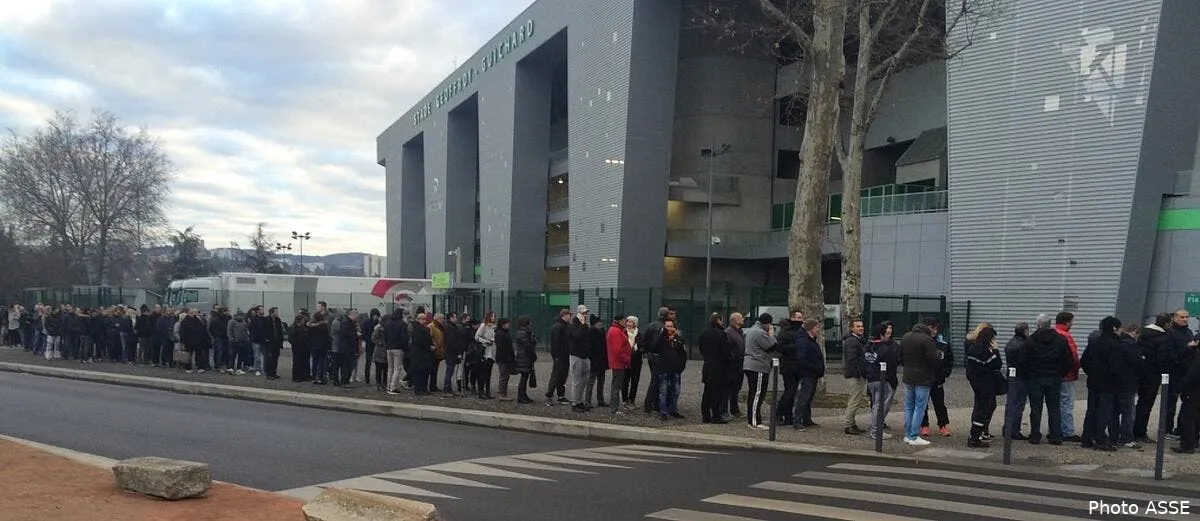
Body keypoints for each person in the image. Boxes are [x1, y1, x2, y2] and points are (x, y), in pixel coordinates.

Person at [1018, 313, 1073, 445]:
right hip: (1054, 378)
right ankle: (1055, 436)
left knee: (1036, 408)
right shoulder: (1060, 340)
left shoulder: (1030, 341)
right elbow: (1068, 360)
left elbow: (1022, 361)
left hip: (1035, 378)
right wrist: (1061, 373)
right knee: (1054, 408)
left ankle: (1035, 435)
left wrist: (1027, 375)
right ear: (1050, 324)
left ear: (1037, 324)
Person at [1080, 316, 1121, 452]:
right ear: (1114, 328)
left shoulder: (1094, 342)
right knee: (1104, 412)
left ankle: (1087, 438)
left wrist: (1092, 373)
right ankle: (1100, 439)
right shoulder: (1115, 344)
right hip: (1108, 383)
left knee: (1091, 410)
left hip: (1093, 382)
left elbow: (1084, 361)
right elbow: (1116, 367)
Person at [899, 317, 940, 446]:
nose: (935, 331)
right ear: (930, 327)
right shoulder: (927, 340)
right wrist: (938, 356)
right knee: (919, 407)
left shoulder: (906, 337)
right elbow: (932, 359)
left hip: (908, 376)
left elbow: (900, 357)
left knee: (909, 406)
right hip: (923, 377)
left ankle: (907, 434)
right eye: (934, 328)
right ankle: (914, 435)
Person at [1134, 313, 1173, 443]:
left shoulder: (1143, 334)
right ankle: (1140, 431)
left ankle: (1133, 428)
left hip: (1141, 372)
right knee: (1147, 404)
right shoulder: (1162, 338)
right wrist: (1165, 373)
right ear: (1167, 324)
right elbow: (1163, 359)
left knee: (1140, 402)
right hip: (1154, 375)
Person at [965, 324, 1002, 448]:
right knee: (982, 411)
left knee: (980, 409)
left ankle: (975, 435)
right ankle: (975, 437)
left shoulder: (972, 348)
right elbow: (997, 364)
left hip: (976, 383)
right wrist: (995, 350)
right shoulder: (984, 351)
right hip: (986, 384)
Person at [864, 321, 899, 441]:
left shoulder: (868, 346)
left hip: (871, 380)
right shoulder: (886, 349)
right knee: (880, 407)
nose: (889, 335)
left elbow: (865, 362)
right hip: (883, 380)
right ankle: (876, 431)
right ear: (882, 334)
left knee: (876, 406)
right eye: (887, 333)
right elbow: (892, 365)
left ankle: (875, 429)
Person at [921, 324, 957, 437]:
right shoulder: (921, 343)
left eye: (936, 328)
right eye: (931, 328)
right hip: (923, 379)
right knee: (923, 404)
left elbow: (949, 360)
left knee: (940, 404)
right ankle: (924, 426)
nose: (934, 331)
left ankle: (943, 425)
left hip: (937, 379)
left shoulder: (943, 344)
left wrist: (945, 374)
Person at [742, 313, 777, 429]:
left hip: (753, 364)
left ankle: (754, 419)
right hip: (758, 365)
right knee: (757, 393)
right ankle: (754, 421)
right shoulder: (760, 333)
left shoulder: (752, 330)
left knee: (755, 393)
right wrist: (772, 335)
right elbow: (771, 345)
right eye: (770, 324)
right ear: (767, 323)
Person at [1112, 323, 1143, 448]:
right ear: (1134, 332)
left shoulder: (1116, 343)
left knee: (1114, 410)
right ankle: (1126, 438)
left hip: (1115, 382)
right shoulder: (1131, 345)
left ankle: (1113, 435)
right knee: (1128, 411)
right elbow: (1138, 362)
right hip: (1129, 382)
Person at [651, 318, 687, 421]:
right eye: (668, 326)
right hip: (664, 369)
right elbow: (655, 348)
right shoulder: (661, 338)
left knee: (675, 391)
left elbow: (683, 354)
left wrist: (681, 366)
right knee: (664, 391)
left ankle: (673, 409)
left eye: (671, 326)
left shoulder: (678, 339)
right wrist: (665, 336)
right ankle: (663, 412)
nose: (670, 328)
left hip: (675, 370)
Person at [698, 313, 731, 424]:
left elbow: (701, 348)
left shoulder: (704, 333)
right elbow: (726, 352)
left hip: (708, 365)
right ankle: (716, 415)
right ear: (718, 320)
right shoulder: (721, 334)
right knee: (717, 392)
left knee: (707, 391)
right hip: (719, 367)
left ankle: (705, 415)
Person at [1002, 322, 1030, 440]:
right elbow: (1024, 362)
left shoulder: (1010, 343)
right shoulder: (1024, 345)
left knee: (1011, 403)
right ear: (1025, 331)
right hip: (1021, 377)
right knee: (1019, 404)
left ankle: (1007, 428)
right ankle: (1014, 430)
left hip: (1011, 375)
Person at [842, 319, 869, 435]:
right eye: (858, 326)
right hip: (855, 375)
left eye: (862, 326)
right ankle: (848, 424)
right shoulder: (852, 341)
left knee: (855, 399)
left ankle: (852, 423)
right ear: (852, 328)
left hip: (855, 373)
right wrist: (859, 373)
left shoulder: (857, 340)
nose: (861, 328)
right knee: (854, 400)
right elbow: (852, 359)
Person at [607, 316, 633, 415]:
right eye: (624, 320)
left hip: (618, 362)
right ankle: (614, 409)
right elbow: (618, 350)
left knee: (616, 386)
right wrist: (626, 359)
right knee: (616, 386)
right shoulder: (616, 331)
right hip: (619, 363)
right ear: (620, 321)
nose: (625, 322)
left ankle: (614, 408)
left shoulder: (615, 330)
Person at [724, 312, 746, 420]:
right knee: (729, 388)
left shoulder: (740, 332)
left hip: (739, 364)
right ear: (734, 320)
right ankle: (726, 410)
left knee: (736, 388)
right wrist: (733, 357)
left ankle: (734, 409)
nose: (743, 319)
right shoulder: (728, 332)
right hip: (732, 365)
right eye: (741, 317)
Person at [408, 313, 436, 395]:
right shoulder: (417, 329)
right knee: (419, 372)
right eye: (423, 319)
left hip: (424, 354)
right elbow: (419, 342)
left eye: (425, 319)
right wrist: (429, 347)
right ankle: (419, 389)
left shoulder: (422, 328)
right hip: (420, 354)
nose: (424, 321)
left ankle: (423, 388)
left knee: (424, 372)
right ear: (418, 319)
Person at [384, 309, 409, 394]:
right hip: (398, 348)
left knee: (390, 368)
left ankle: (388, 386)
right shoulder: (402, 324)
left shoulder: (387, 323)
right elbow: (404, 338)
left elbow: (385, 336)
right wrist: (405, 347)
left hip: (389, 348)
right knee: (397, 369)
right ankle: (393, 387)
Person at [586, 314, 609, 408]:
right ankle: (589, 401)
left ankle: (598, 400)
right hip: (596, 361)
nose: (601, 323)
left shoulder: (599, 332)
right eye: (599, 322)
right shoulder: (595, 333)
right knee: (593, 381)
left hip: (600, 361)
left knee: (598, 381)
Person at [514, 316, 538, 404]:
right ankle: (521, 396)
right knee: (524, 377)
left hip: (525, 356)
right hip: (524, 357)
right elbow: (527, 345)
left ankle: (523, 395)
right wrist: (533, 355)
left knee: (525, 377)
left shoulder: (525, 332)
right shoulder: (524, 333)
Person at [474, 311, 498, 399]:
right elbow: (477, 336)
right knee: (483, 373)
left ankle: (487, 391)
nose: (493, 318)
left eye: (494, 316)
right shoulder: (484, 326)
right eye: (492, 316)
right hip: (485, 351)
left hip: (492, 352)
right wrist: (486, 341)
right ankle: (481, 391)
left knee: (489, 373)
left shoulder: (494, 327)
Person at [622, 316, 643, 407]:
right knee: (625, 381)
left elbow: (643, 345)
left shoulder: (639, 334)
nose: (629, 323)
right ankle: (625, 400)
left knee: (635, 381)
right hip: (626, 359)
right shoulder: (623, 332)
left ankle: (632, 399)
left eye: (631, 322)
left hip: (636, 360)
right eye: (628, 321)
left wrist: (638, 349)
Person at [307, 310, 332, 385]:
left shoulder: (311, 327)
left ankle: (314, 377)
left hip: (314, 345)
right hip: (322, 346)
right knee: (322, 362)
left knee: (314, 361)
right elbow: (327, 336)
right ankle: (321, 378)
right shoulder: (324, 326)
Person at [494, 318, 515, 400]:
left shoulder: (504, 333)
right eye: (507, 323)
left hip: (505, 357)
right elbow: (501, 347)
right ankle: (501, 393)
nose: (508, 325)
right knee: (504, 375)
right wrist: (507, 356)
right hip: (503, 358)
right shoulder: (500, 334)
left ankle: (503, 392)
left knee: (505, 375)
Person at [290, 311, 312, 382]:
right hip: (297, 348)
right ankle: (296, 376)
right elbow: (291, 338)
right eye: (303, 320)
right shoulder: (293, 327)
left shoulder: (304, 327)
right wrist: (296, 344)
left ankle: (304, 375)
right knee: (297, 362)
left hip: (305, 347)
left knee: (304, 362)